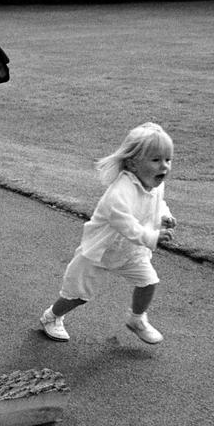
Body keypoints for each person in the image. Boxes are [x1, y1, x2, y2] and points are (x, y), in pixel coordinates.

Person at [40, 122, 177, 344]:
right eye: (156, 160)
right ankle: (51, 317)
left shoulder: (155, 184)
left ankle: (137, 319)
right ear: (133, 163)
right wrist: (152, 237)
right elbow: (125, 224)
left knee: (149, 282)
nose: (164, 166)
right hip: (100, 251)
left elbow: (157, 204)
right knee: (78, 295)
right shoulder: (120, 192)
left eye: (168, 160)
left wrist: (164, 216)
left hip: (129, 251)